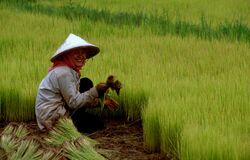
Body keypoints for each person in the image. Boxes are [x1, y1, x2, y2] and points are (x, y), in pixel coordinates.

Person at [35, 33, 119, 133]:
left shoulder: (68, 70)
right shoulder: (64, 73)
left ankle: (76, 120)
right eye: (76, 52)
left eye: (83, 52)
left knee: (85, 83)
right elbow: (74, 102)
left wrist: (101, 100)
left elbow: (75, 97)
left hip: (60, 110)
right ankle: (58, 127)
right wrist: (96, 91)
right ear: (67, 54)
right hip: (52, 118)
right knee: (97, 124)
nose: (81, 56)